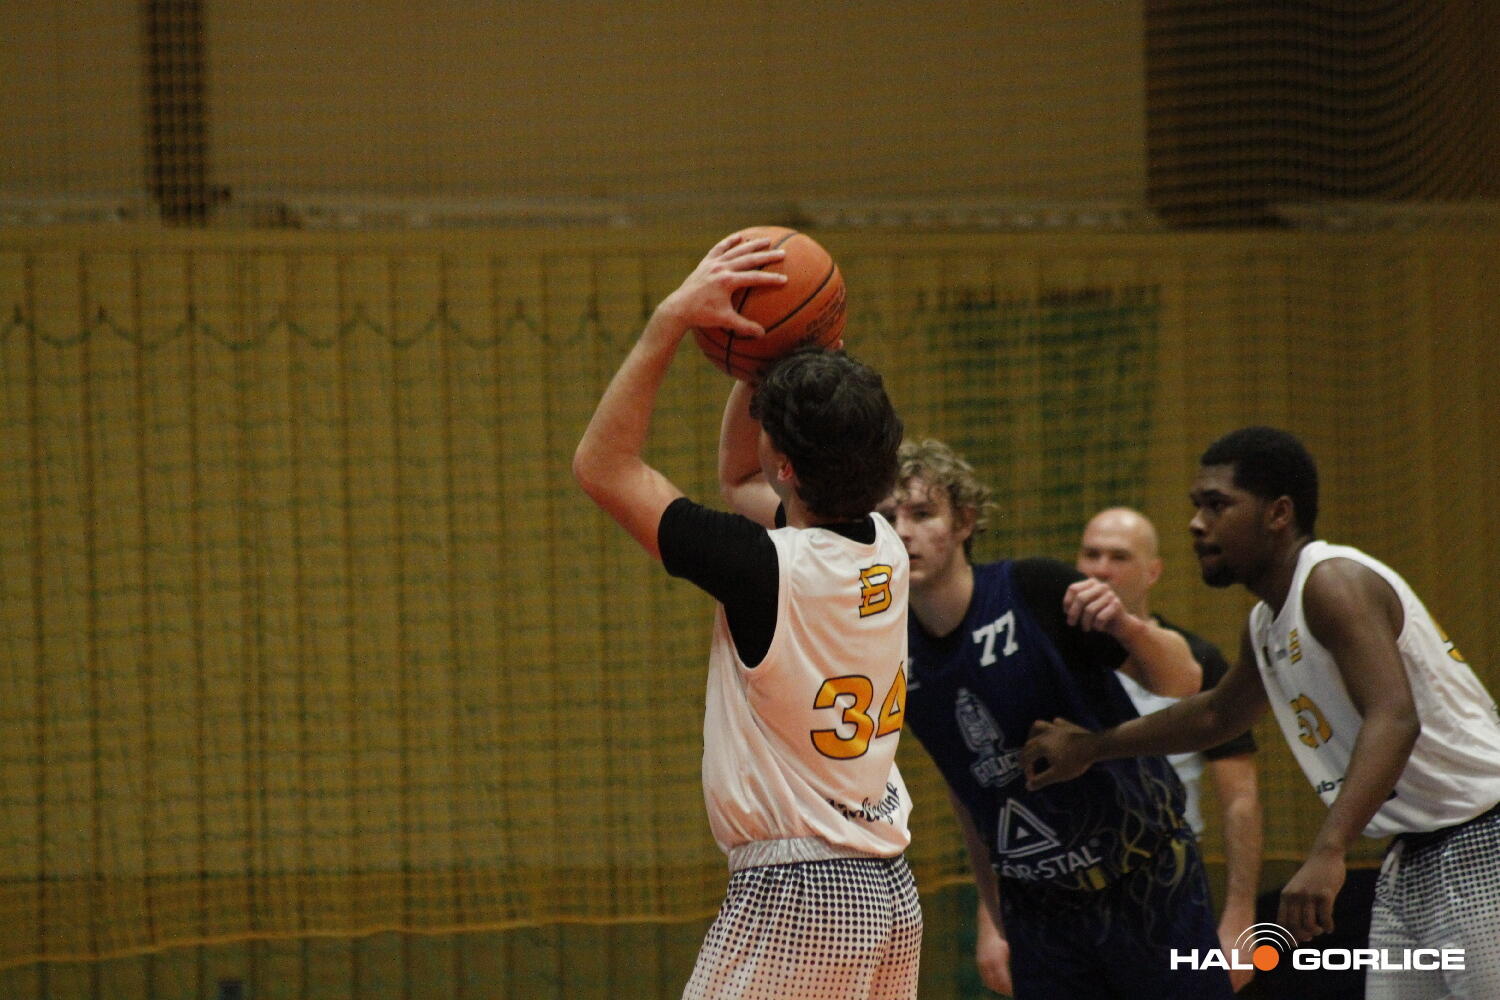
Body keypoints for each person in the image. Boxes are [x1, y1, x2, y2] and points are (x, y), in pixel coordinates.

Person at [1023, 426, 1500, 1000]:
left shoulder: (1332, 581)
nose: (1197, 523)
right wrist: (1094, 747)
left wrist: (1328, 850)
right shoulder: (1266, 622)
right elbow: (1216, 717)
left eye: (1217, 505)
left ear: (1278, 513)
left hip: (1483, 838)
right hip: (1416, 852)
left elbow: (1395, 717)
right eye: (1196, 506)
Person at [573, 231, 922, 1000]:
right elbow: (741, 478)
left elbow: (604, 467)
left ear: (786, 465)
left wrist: (669, 321)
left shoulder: (765, 568)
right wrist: (785, 358)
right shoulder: (884, 545)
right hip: (887, 890)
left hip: (801, 894)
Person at [876, 439, 1232, 1000]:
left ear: (964, 521)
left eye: (922, 514)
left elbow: (1184, 680)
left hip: (1146, 881)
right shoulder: (892, 650)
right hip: (1039, 911)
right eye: (887, 518)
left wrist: (1127, 626)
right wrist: (993, 911)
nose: (902, 532)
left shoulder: (1033, 589)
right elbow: (965, 791)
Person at [1076, 506, 1263, 991]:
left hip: (1170, 879)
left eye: (1119, 557)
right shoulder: (1053, 657)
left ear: (1153, 572)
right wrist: (993, 920)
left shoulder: (1197, 659)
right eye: (1091, 554)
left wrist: (1240, 916)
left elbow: (1240, 799)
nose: (1101, 569)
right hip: (1068, 885)